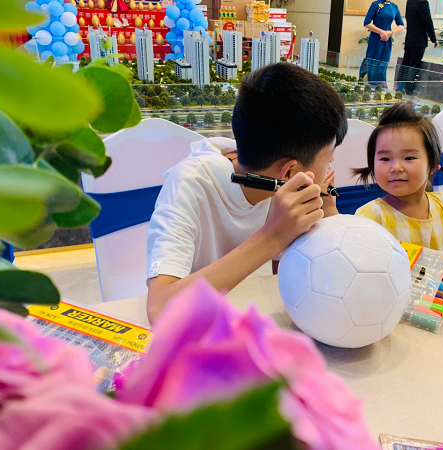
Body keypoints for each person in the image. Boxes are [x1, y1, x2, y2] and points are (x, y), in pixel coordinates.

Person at [146, 63, 346, 323]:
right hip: (192, 331)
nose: (329, 170)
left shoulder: (275, 177)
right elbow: (160, 309)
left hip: (241, 320)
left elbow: (295, 282)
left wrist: (326, 211)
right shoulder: (191, 182)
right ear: (289, 172)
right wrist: (274, 235)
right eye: (328, 161)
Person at [353, 102, 443, 250]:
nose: (396, 167)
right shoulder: (370, 218)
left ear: (432, 165)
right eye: (385, 159)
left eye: (409, 158)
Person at [360, 0, 405, 86]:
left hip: (387, 39)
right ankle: (370, 86)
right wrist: (381, 32)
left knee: (383, 64)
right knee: (372, 64)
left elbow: (401, 25)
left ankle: (380, 87)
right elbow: (367, 23)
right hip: (375, 39)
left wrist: (391, 32)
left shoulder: (394, 6)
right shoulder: (375, 4)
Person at [400, 0, 437, 95]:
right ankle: (409, 90)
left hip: (409, 38)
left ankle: (400, 87)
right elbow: (427, 21)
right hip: (419, 40)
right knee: (413, 66)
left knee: (406, 63)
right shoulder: (422, 2)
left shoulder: (410, 1)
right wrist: (433, 38)